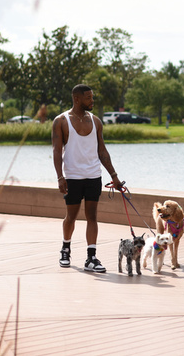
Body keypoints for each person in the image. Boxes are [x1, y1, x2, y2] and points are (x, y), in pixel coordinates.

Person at [52, 84, 123, 273]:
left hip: (93, 176)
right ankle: (65, 249)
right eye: (89, 98)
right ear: (77, 99)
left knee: (92, 216)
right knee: (71, 217)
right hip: (73, 177)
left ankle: (91, 258)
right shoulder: (61, 121)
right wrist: (60, 177)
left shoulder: (96, 121)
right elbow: (57, 151)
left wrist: (114, 176)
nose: (92, 101)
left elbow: (102, 150)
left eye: (92, 97)